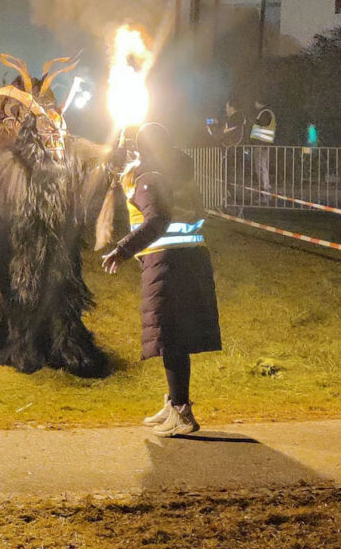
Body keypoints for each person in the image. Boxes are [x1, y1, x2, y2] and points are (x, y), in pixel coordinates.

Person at [101, 125, 221, 437]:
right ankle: (175, 402)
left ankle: (182, 412)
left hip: (169, 263)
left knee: (171, 338)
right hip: (190, 260)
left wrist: (122, 250)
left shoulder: (150, 178)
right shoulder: (178, 172)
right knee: (173, 337)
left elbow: (157, 220)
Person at [249, 98, 276, 198]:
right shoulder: (266, 112)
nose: (254, 104)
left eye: (256, 102)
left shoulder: (265, 113)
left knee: (261, 167)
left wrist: (254, 122)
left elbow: (261, 125)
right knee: (261, 167)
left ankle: (265, 190)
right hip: (262, 144)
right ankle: (264, 190)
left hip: (261, 144)